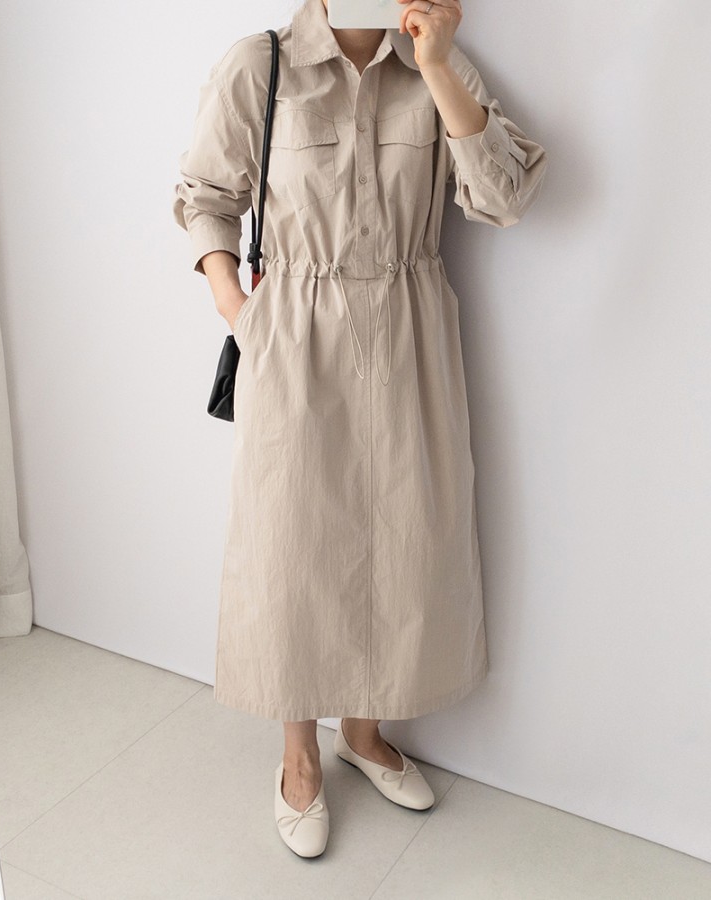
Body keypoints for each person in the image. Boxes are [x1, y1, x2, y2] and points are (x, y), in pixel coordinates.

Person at [173, 0, 547, 859]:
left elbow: (504, 197)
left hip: (410, 333)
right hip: (295, 336)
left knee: (401, 536)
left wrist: (440, 64)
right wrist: (239, 312)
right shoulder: (261, 64)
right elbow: (203, 196)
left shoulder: (434, 63)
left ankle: (365, 732)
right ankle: (298, 754)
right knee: (292, 541)